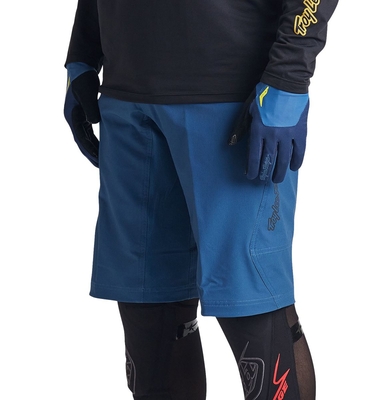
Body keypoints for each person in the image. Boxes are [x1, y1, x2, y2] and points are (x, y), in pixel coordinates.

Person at [64, 1, 338, 399]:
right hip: (127, 95)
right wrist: (83, 52)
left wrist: (288, 76)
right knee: (150, 311)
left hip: (232, 98)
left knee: (254, 310)